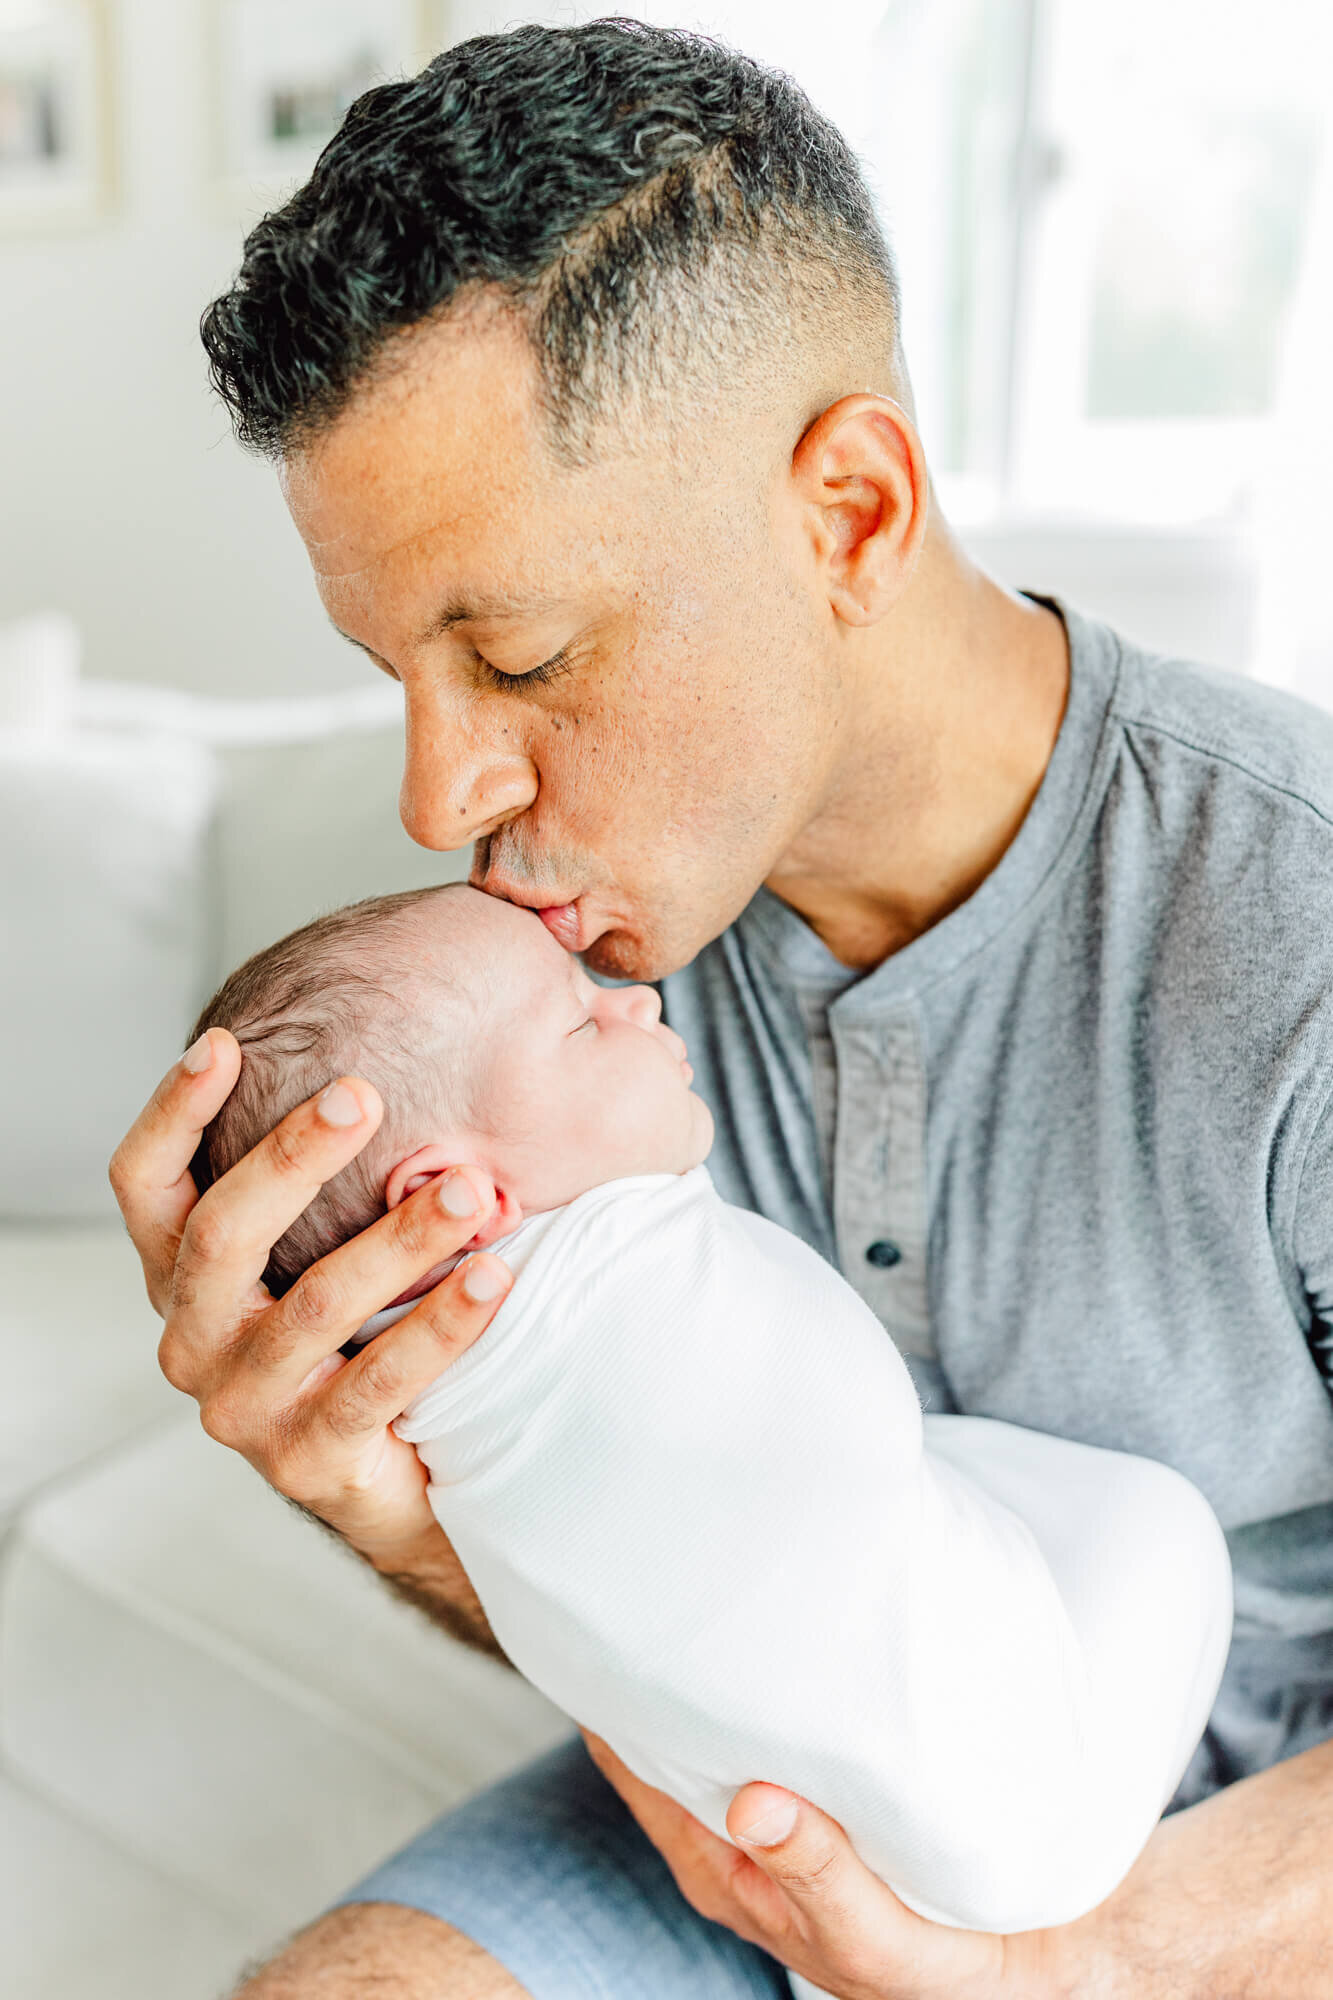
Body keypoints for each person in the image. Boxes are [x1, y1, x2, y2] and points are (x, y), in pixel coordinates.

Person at [108, 19, 1333, 1999]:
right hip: (768, 1811)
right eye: (398, 672)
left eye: (519, 653)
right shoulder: (530, 988)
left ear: (846, 511)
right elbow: (689, 1597)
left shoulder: (1294, 921)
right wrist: (410, 1503)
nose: (439, 800)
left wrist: (1092, 1965)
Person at [187, 880, 1232, 1961]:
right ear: (453, 1196)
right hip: (1021, 1819)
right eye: (585, 1019)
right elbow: (821, 1442)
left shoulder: (433, 1384)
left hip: (895, 1844)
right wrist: (396, 1527)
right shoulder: (617, 1267)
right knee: (1159, 1518)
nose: (638, 1003)